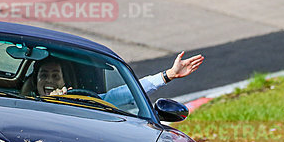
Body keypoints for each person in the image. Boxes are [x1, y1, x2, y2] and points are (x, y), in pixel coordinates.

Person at [24, 52, 205, 105]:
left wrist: (168, 75)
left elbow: (127, 93)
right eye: (44, 75)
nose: (49, 81)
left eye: (56, 76)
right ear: (35, 80)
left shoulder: (87, 101)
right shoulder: (21, 101)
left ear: (65, 81)